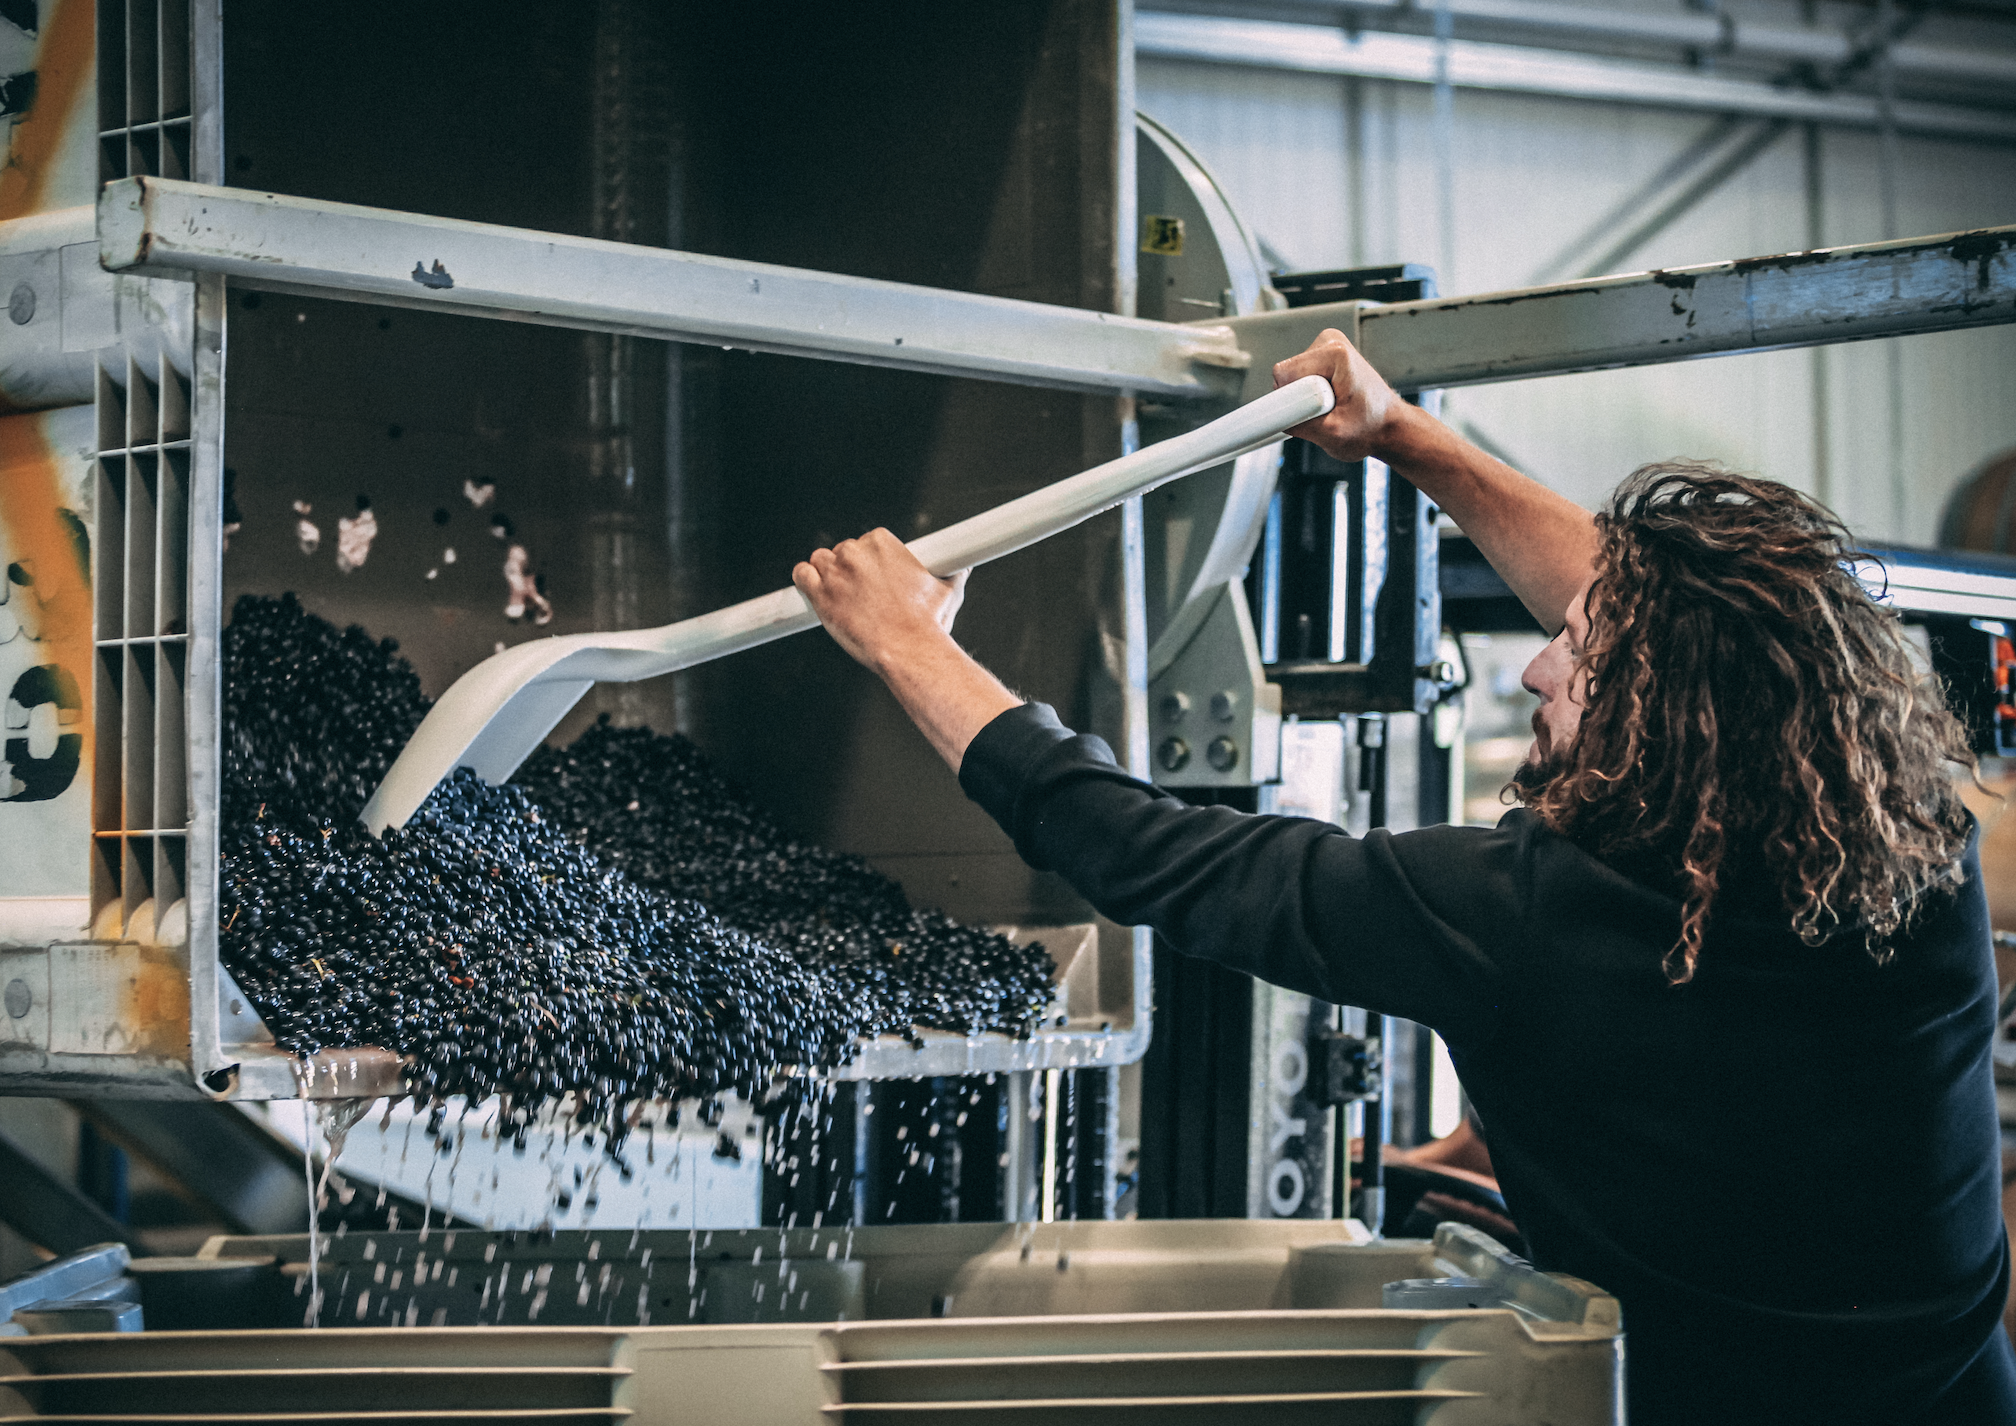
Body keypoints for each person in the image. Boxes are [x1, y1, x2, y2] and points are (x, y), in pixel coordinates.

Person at [791, 330, 2016, 1425]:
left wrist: (907, 642)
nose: (1535, 672)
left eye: (1571, 657)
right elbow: (1669, 622)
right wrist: (1401, 436)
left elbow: (1154, 855)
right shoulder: (1911, 857)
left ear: (1656, 713)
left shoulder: (1533, 921)